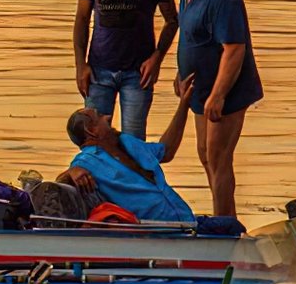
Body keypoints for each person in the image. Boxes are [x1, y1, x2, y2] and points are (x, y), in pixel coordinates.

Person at [159, 0, 264, 219]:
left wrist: (218, 94)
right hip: (199, 87)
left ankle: (225, 224)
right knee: (205, 153)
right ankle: (221, 217)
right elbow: (192, 34)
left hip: (226, 90)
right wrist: (181, 70)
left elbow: (234, 50)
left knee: (219, 158)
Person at [73, 0, 179, 140]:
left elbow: (172, 20)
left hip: (137, 74)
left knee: (133, 142)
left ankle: (132, 176)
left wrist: (156, 58)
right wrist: (80, 65)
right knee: (94, 140)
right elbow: (82, 19)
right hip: (99, 71)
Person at [57, 96, 196, 224]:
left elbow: (167, 151)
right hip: (158, 230)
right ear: (91, 130)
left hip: (188, 219)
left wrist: (184, 103)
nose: (108, 117)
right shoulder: (87, 161)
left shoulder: (127, 141)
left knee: (218, 224)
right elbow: (58, 185)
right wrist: (70, 172)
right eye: (99, 116)